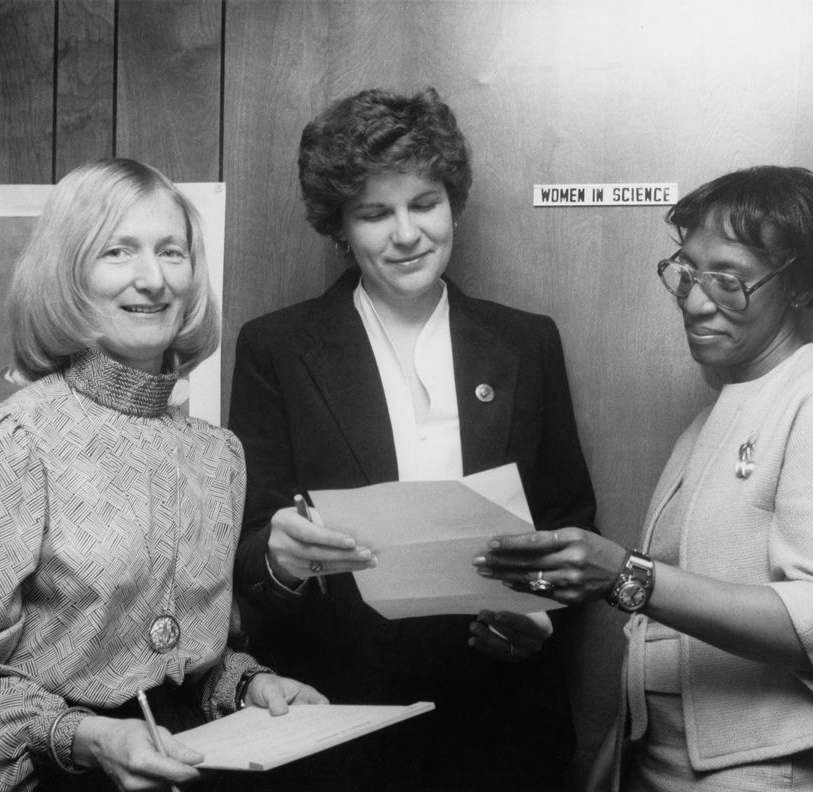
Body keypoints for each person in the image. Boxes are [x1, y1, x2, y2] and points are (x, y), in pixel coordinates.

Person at [474, 165, 813, 791]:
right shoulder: (713, 417)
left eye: (729, 280)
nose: (697, 300)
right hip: (670, 762)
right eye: (686, 273)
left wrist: (624, 576)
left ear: (799, 284)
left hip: (769, 772)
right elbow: (669, 630)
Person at [0, 158, 326, 792]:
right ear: (68, 274)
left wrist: (248, 683)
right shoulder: (7, 442)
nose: (152, 279)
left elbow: (188, 656)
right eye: (118, 251)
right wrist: (84, 738)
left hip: (184, 764)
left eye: (171, 252)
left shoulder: (218, 455)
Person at [227, 87, 597, 791]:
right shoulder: (277, 347)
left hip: (503, 727)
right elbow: (249, 547)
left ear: (453, 203)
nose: (406, 233)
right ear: (340, 226)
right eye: (375, 213)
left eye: (424, 204)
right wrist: (280, 558)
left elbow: (570, 520)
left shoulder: (525, 340)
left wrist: (538, 615)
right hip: (340, 722)